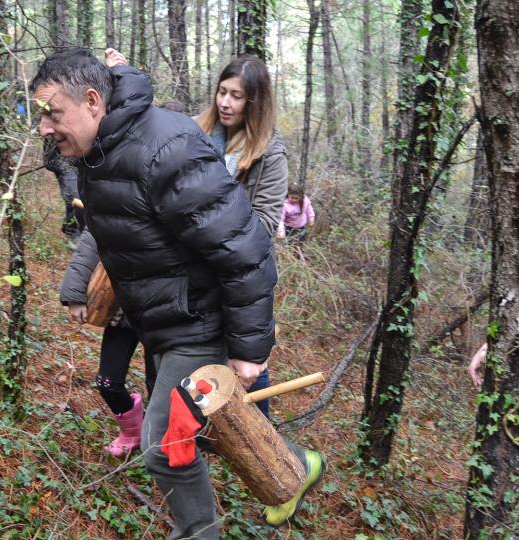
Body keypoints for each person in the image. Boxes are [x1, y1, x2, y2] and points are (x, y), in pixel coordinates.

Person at [31, 48, 324, 536]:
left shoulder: (166, 149)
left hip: (201, 322)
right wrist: (76, 285)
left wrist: (250, 348)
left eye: (53, 114)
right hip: (164, 323)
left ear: (91, 101)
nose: (44, 129)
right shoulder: (99, 151)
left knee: (165, 448)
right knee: (196, 435)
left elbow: (246, 247)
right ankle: (295, 465)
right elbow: (105, 231)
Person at [194, 55, 289, 418]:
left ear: (254, 102)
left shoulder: (269, 152)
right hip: (194, 272)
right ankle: (197, 440)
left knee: (248, 361)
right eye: (222, 92)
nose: (225, 102)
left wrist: (205, 221)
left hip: (244, 276)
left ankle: (263, 441)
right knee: (194, 354)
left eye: (236, 96)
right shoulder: (195, 133)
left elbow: (264, 223)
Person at [60, 230, 157, 457]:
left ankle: (161, 442)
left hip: (165, 315)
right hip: (124, 312)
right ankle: (132, 432)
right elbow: (91, 241)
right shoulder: (117, 197)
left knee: (160, 387)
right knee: (107, 382)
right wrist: (74, 294)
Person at [43, 139, 86, 249]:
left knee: (84, 195)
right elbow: (49, 157)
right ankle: (73, 233)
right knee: (75, 196)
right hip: (61, 161)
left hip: (80, 161)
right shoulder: (52, 129)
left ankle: (74, 229)